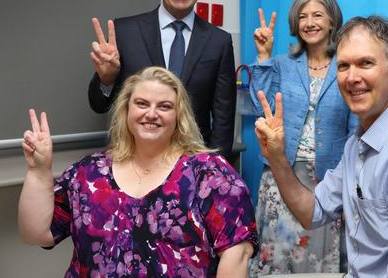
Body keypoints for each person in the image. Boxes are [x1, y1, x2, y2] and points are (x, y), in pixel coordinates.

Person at [254, 16, 388, 277]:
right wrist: (278, 157)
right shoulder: (356, 145)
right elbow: (312, 212)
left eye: (365, 63)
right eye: (343, 66)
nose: (352, 77)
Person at [19, 67, 258, 277]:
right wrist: (38, 171)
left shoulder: (209, 174)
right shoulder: (89, 173)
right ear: (126, 110)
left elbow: (237, 253)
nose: (151, 113)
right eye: (142, 103)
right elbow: (36, 234)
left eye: (164, 106)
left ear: (179, 117)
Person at [88, 0, 235, 155]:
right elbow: (98, 105)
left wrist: (214, 172)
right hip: (133, 161)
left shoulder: (218, 41)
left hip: (190, 166)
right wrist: (107, 80)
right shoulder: (125, 32)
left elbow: (223, 121)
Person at [248, 0, 358, 275]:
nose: (309, 22)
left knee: (318, 255)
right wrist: (263, 57)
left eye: (317, 15)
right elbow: (262, 107)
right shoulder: (283, 64)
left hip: (327, 179)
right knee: (279, 252)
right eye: (302, 16)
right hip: (281, 173)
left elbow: (356, 129)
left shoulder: (346, 66)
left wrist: (352, 186)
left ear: (332, 21)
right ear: (295, 25)